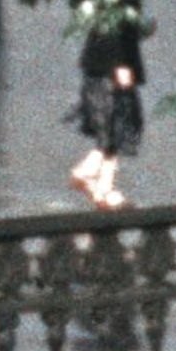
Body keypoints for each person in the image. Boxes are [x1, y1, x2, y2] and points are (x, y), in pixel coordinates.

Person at [67, 15, 147, 209]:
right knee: (117, 127)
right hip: (109, 72)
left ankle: (103, 188)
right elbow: (114, 27)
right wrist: (120, 64)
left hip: (102, 69)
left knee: (114, 131)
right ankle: (92, 178)